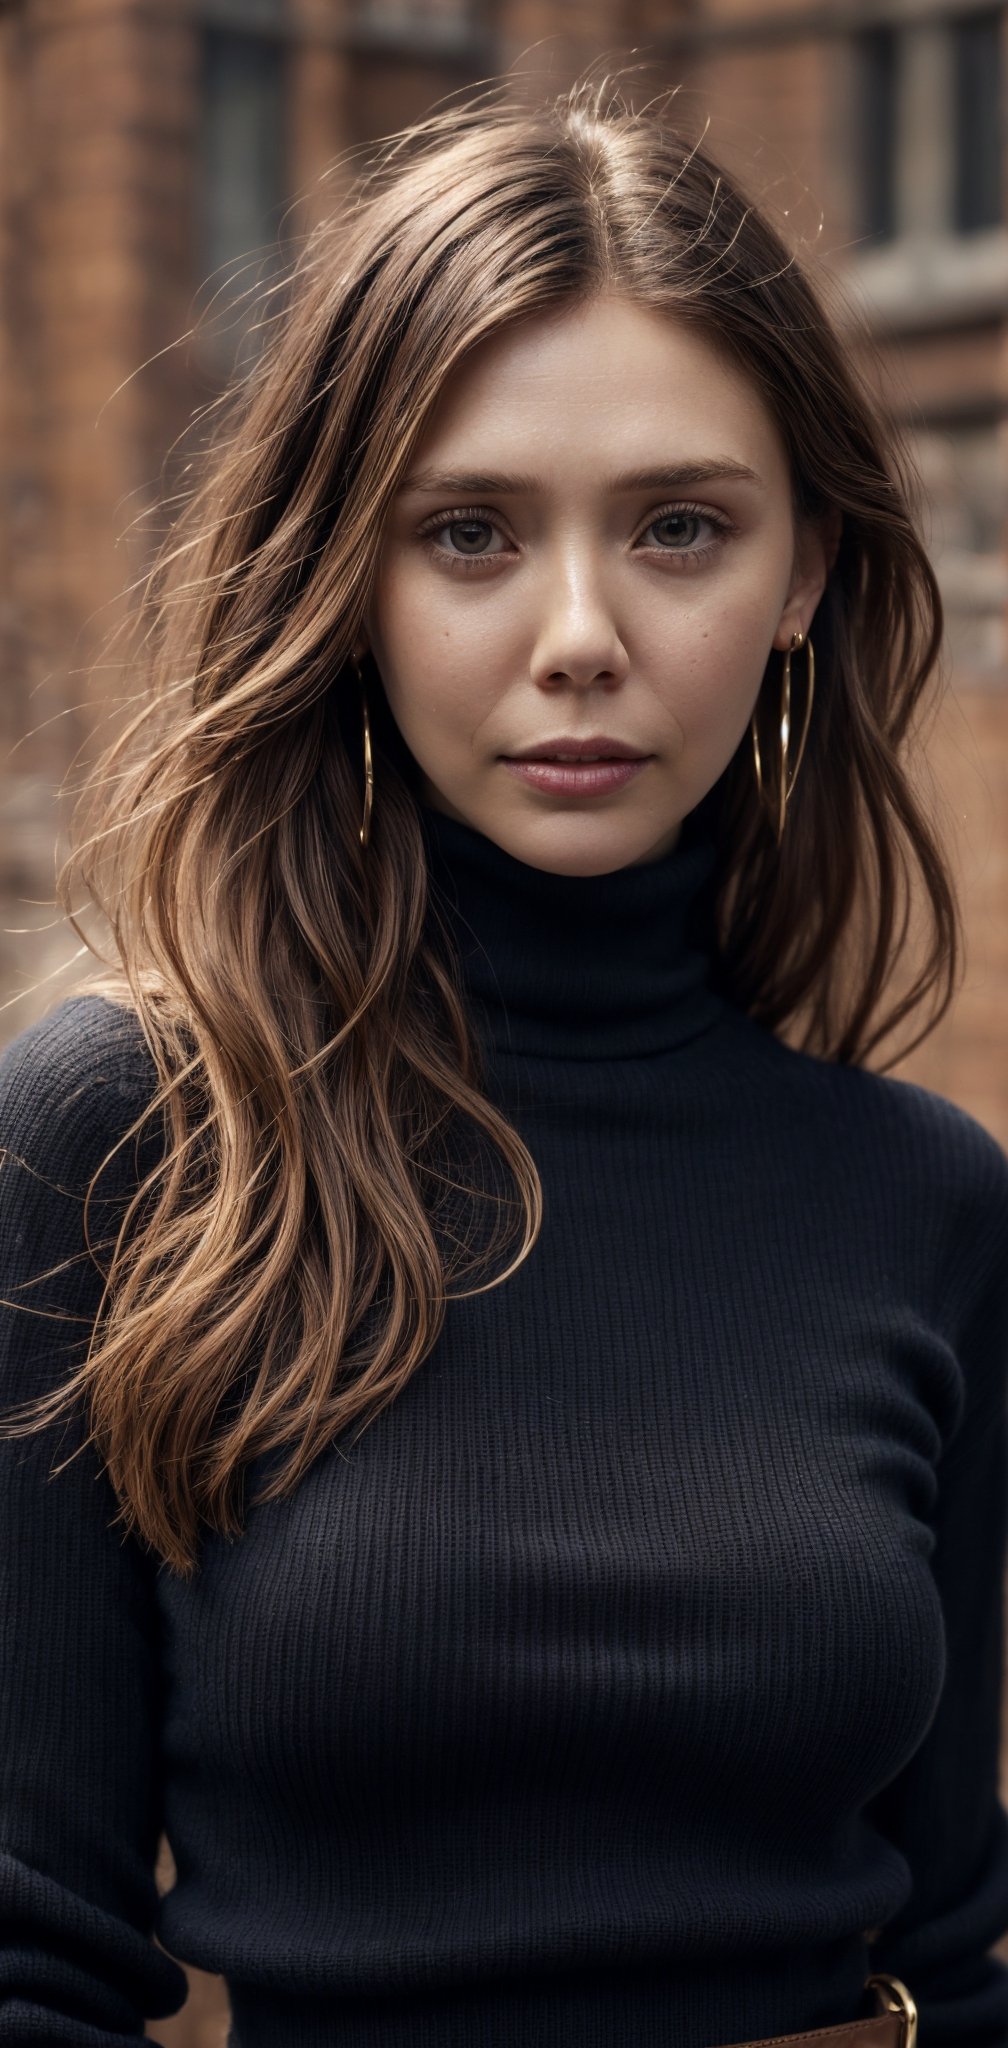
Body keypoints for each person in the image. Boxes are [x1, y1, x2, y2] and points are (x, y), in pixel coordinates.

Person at [0, 70, 1005, 2048]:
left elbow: (955, 1941)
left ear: (802, 572)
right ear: (348, 582)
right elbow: (29, 1953)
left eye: (680, 529)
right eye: (468, 532)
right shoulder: (112, 1143)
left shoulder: (929, 1200)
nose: (578, 635)